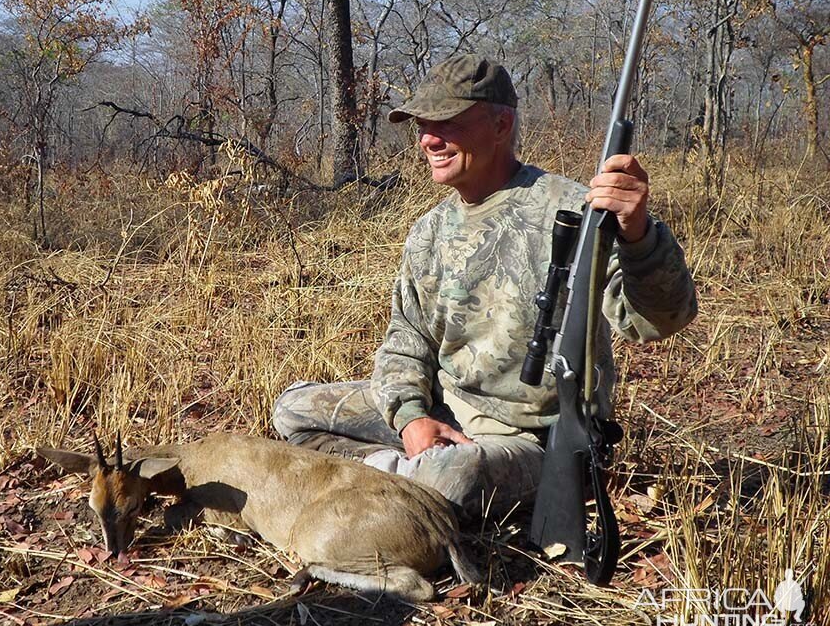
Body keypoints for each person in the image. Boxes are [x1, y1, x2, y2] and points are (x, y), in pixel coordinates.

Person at [272, 53, 697, 520]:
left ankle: (392, 486)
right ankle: (395, 478)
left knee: (449, 480)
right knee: (294, 409)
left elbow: (657, 320)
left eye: (448, 123)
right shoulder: (429, 230)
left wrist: (638, 233)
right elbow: (406, 341)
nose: (428, 139)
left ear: (501, 125)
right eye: (421, 125)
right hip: (443, 409)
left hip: (527, 439)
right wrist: (413, 418)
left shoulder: (579, 210)